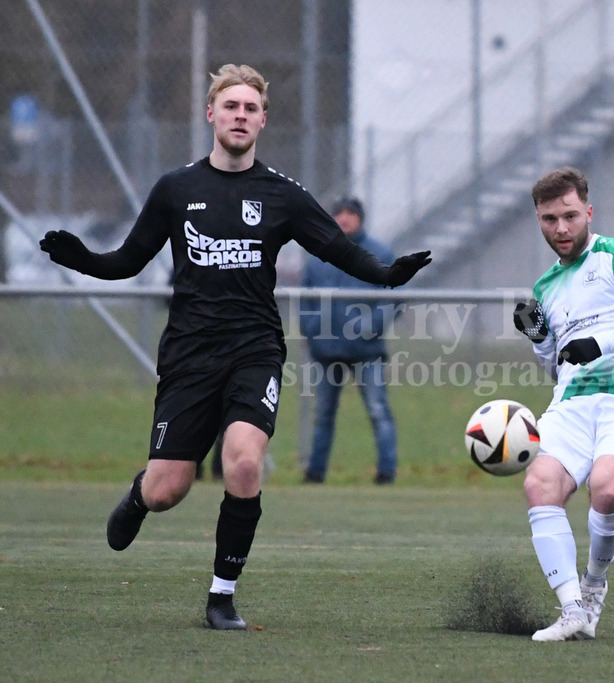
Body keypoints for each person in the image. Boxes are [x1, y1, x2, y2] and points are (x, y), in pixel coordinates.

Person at [38, 64, 430, 630]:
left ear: (263, 119)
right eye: (231, 106)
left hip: (255, 349)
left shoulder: (282, 194)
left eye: (250, 108)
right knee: (168, 489)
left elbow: (338, 249)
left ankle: (221, 597)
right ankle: (140, 495)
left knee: (243, 462)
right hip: (189, 355)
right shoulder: (176, 189)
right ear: (211, 114)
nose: (240, 116)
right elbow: (127, 260)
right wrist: (83, 260)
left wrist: (389, 275)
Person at [512, 166, 614, 642]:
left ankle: (592, 587)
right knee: (540, 484)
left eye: (570, 216)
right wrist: (539, 339)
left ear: (588, 212)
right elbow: (559, 366)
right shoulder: (545, 287)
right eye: (549, 219)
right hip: (572, 402)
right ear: (539, 221)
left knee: (607, 490)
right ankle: (571, 611)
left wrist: (601, 343)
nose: (561, 228)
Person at [299, 196, 399, 485]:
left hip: (365, 351)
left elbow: (393, 296)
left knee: (378, 411)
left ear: (360, 218)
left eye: (350, 213)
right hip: (326, 351)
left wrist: (369, 328)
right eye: (339, 213)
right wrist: (313, 329)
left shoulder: (379, 253)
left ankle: (386, 473)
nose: (344, 218)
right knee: (323, 415)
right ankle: (315, 473)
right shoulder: (319, 254)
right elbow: (305, 299)